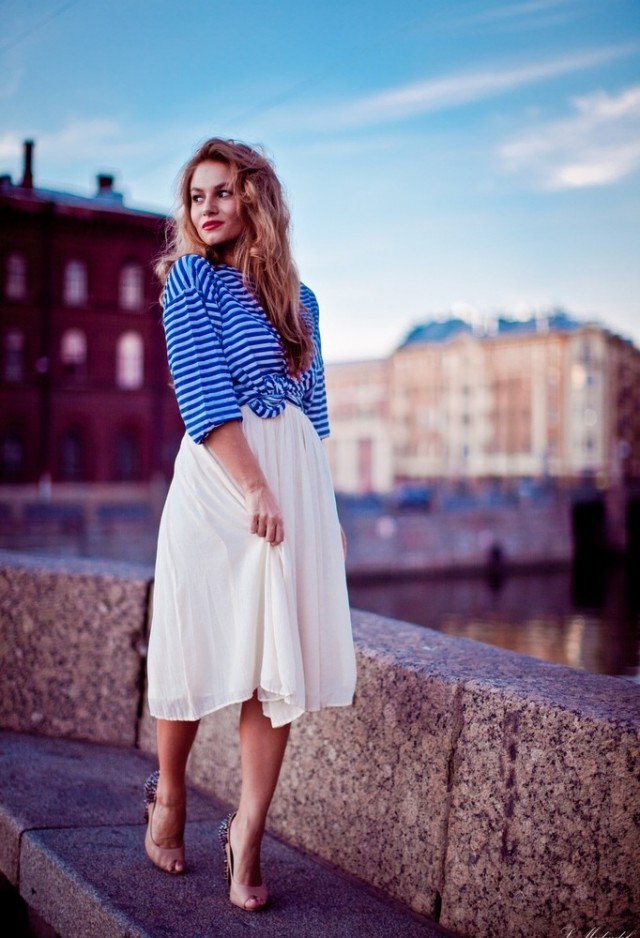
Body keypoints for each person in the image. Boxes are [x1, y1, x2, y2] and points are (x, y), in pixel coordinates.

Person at [142, 137, 358, 912]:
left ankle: (248, 834)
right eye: (197, 196)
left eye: (223, 192)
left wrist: (320, 508)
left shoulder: (305, 302)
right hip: (220, 482)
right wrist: (257, 486)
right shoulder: (189, 281)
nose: (207, 208)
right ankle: (169, 795)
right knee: (194, 638)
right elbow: (203, 395)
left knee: (276, 662)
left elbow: (317, 413)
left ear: (256, 199)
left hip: (290, 480)